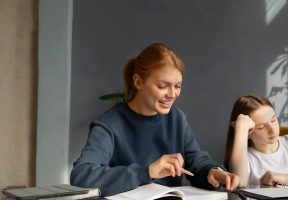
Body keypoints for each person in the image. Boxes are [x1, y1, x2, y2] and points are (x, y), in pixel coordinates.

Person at [70, 43, 239, 196]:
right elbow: (81, 175)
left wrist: (212, 172)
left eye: (178, 86)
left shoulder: (176, 118)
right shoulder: (110, 123)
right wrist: (147, 172)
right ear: (138, 82)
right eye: (162, 86)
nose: (172, 94)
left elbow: (196, 161)